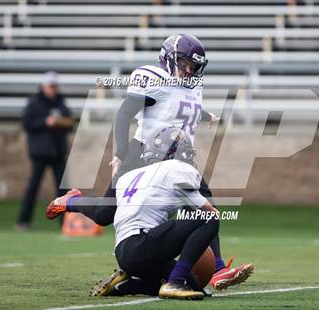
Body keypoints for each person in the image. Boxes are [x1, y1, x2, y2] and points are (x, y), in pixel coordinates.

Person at [46, 34, 252, 290]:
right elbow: (124, 114)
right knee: (104, 213)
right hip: (145, 151)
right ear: (168, 59)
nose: (189, 70)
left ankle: (217, 268)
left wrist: (205, 115)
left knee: (202, 201)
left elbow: (180, 110)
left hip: (178, 155)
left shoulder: (192, 85)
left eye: (193, 66)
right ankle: (71, 201)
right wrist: (121, 152)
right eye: (184, 63)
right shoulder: (154, 79)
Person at [91, 127, 251, 300]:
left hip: (123, 251)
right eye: (182, 149)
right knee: (209, 219)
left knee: (194, 286)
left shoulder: (130, 176)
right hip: (142, 243)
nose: (186, 154)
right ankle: (175, 281)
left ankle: (126, 286)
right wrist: (195, 242)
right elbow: (208, 212)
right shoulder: (174, 168)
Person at [17, 71, 74, 230]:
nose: (53, 89)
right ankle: (23, 220)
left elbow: (70, 122)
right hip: (40, 152)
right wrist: (45, 122)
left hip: (57, 151)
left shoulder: (60, 102)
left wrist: (61, 123)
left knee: (62, 190)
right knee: (33, 187)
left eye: (55, 86)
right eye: (50, 86)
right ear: (43, 86)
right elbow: (27, 123)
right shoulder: (34, 102)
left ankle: (66, 223)